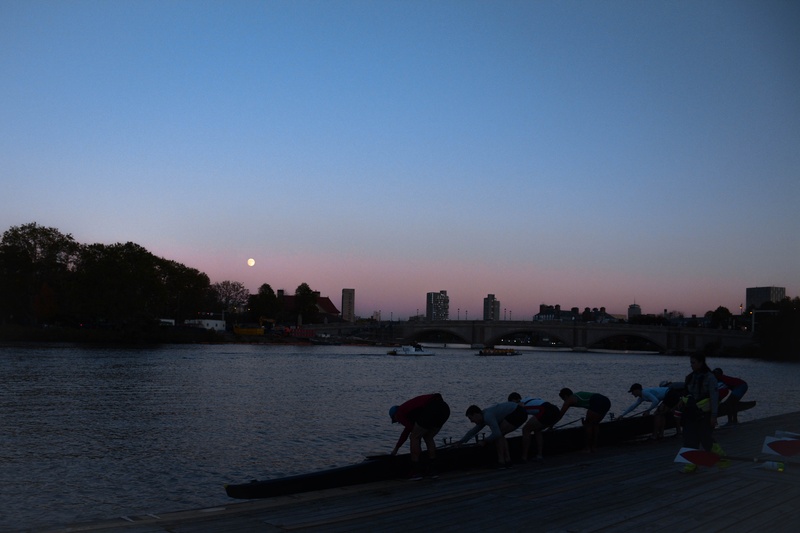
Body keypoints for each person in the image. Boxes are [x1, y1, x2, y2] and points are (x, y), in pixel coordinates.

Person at [679, 354, 728, 473]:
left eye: (693, 362)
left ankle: (722, 459)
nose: (691, 365)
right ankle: (691, 465)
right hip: (690, 412)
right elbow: (686, 393)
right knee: (689, 439)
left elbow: (714, 397)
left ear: (701, 363)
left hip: (705, 414)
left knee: (706, 440)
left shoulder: (710, 378)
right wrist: (681, 401)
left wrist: (714, 416)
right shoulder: (689, 377)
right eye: (690, 362)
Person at [389, 393, 451, 479]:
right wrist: (397, 448)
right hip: (444, 408)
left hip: (431, 407)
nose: (399, 422)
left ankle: (416, 471)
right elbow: (410, 429)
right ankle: (432, 469)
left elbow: (408, 432)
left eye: (396, 420)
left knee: (414, 437)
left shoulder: (399, 413)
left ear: (394, 415)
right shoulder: (412, 412)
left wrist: (396, 448)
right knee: (428, 437)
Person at [456, 401, 528, 468]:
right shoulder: (483, 417)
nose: (471, 421)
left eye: (471, 418)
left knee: (498, 434)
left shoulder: (488, 416)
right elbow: (473, 431)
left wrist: (485, 441)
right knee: (500, 434)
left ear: (475, 414)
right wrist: (461, 441)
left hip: (518, 412)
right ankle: (507, 460)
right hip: (518, 411)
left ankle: (502, 462)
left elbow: (497, 434)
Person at [508, 392, 560, 462]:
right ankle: (539, 455)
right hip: (555, 410)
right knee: (537, 430)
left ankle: (524, 457)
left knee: (525, 429)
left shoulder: (519, 404)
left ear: (514, 400)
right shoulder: (529, 399)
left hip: (545, 410)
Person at [557, 388, 611, 453]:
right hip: (606, 401)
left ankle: (587, 448)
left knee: (588, 425)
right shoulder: (577, 395)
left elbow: (560, 415)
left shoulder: (569, 399)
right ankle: (594, 448)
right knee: (595, 424)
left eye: (563, 399)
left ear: (565, 396)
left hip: (597, 400)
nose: (564, 401)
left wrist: (551, 424)